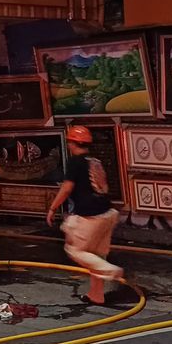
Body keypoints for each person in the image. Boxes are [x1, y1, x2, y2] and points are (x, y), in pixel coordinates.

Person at [46, 126, 122, 305]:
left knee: (74, 250)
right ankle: (96, 295)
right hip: (108, 213)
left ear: (72, 143)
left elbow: (67, 188)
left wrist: (52, 209)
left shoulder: (75, 162)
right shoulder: (95, 161)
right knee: (96, 255)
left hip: (91, 216)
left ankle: (110, 270)